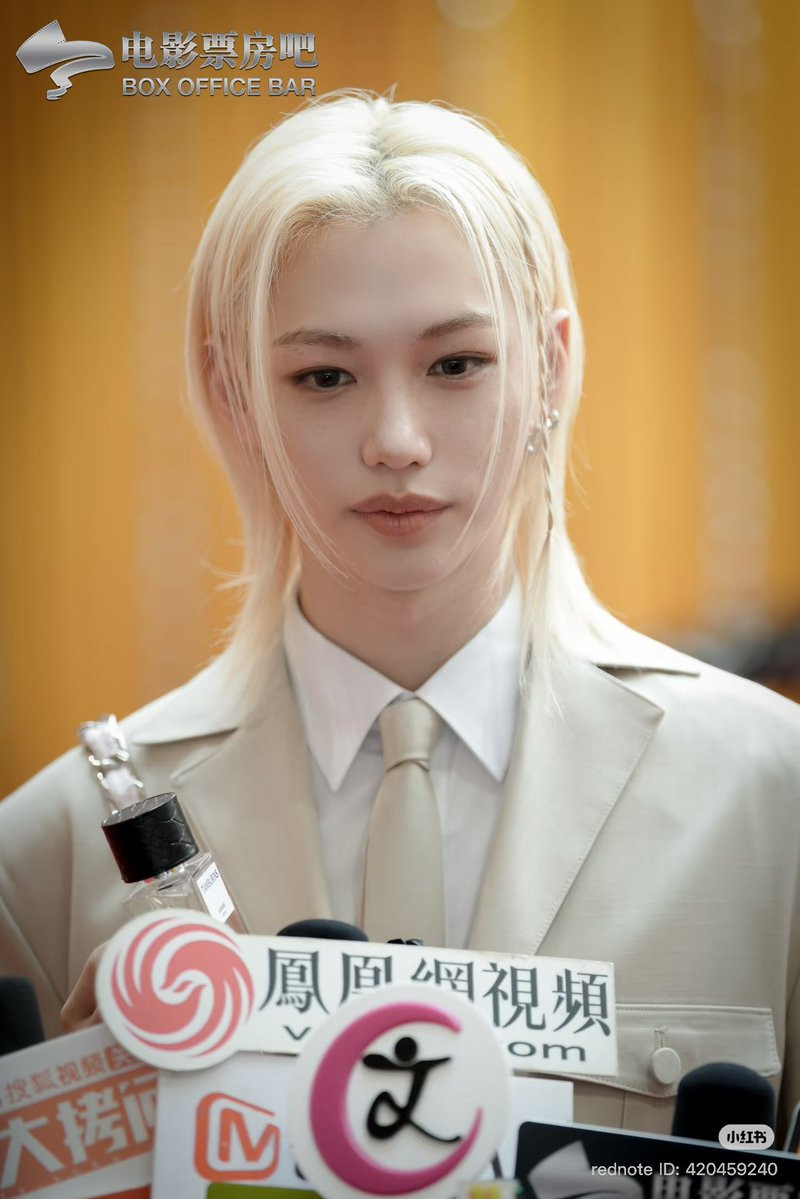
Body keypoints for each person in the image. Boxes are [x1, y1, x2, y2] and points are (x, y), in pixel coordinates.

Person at [1, 88, 798, 1138]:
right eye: (324, 375)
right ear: (235, 395)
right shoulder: (48, 853)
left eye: (455, 364)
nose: (397, 440)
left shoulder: (770, 797)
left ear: (551, 365)